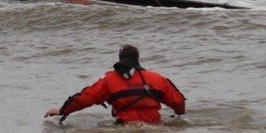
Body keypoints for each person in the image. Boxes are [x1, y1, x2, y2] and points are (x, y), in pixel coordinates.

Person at [44, 45, 186, 125]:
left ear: (120, 59)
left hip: (125, 128)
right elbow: (178, 102)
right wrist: (178, 115)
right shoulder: (157, 78)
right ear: (138, 59)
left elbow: (86, 97)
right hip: (154, 128)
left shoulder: (110, 79)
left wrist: (63, 110)